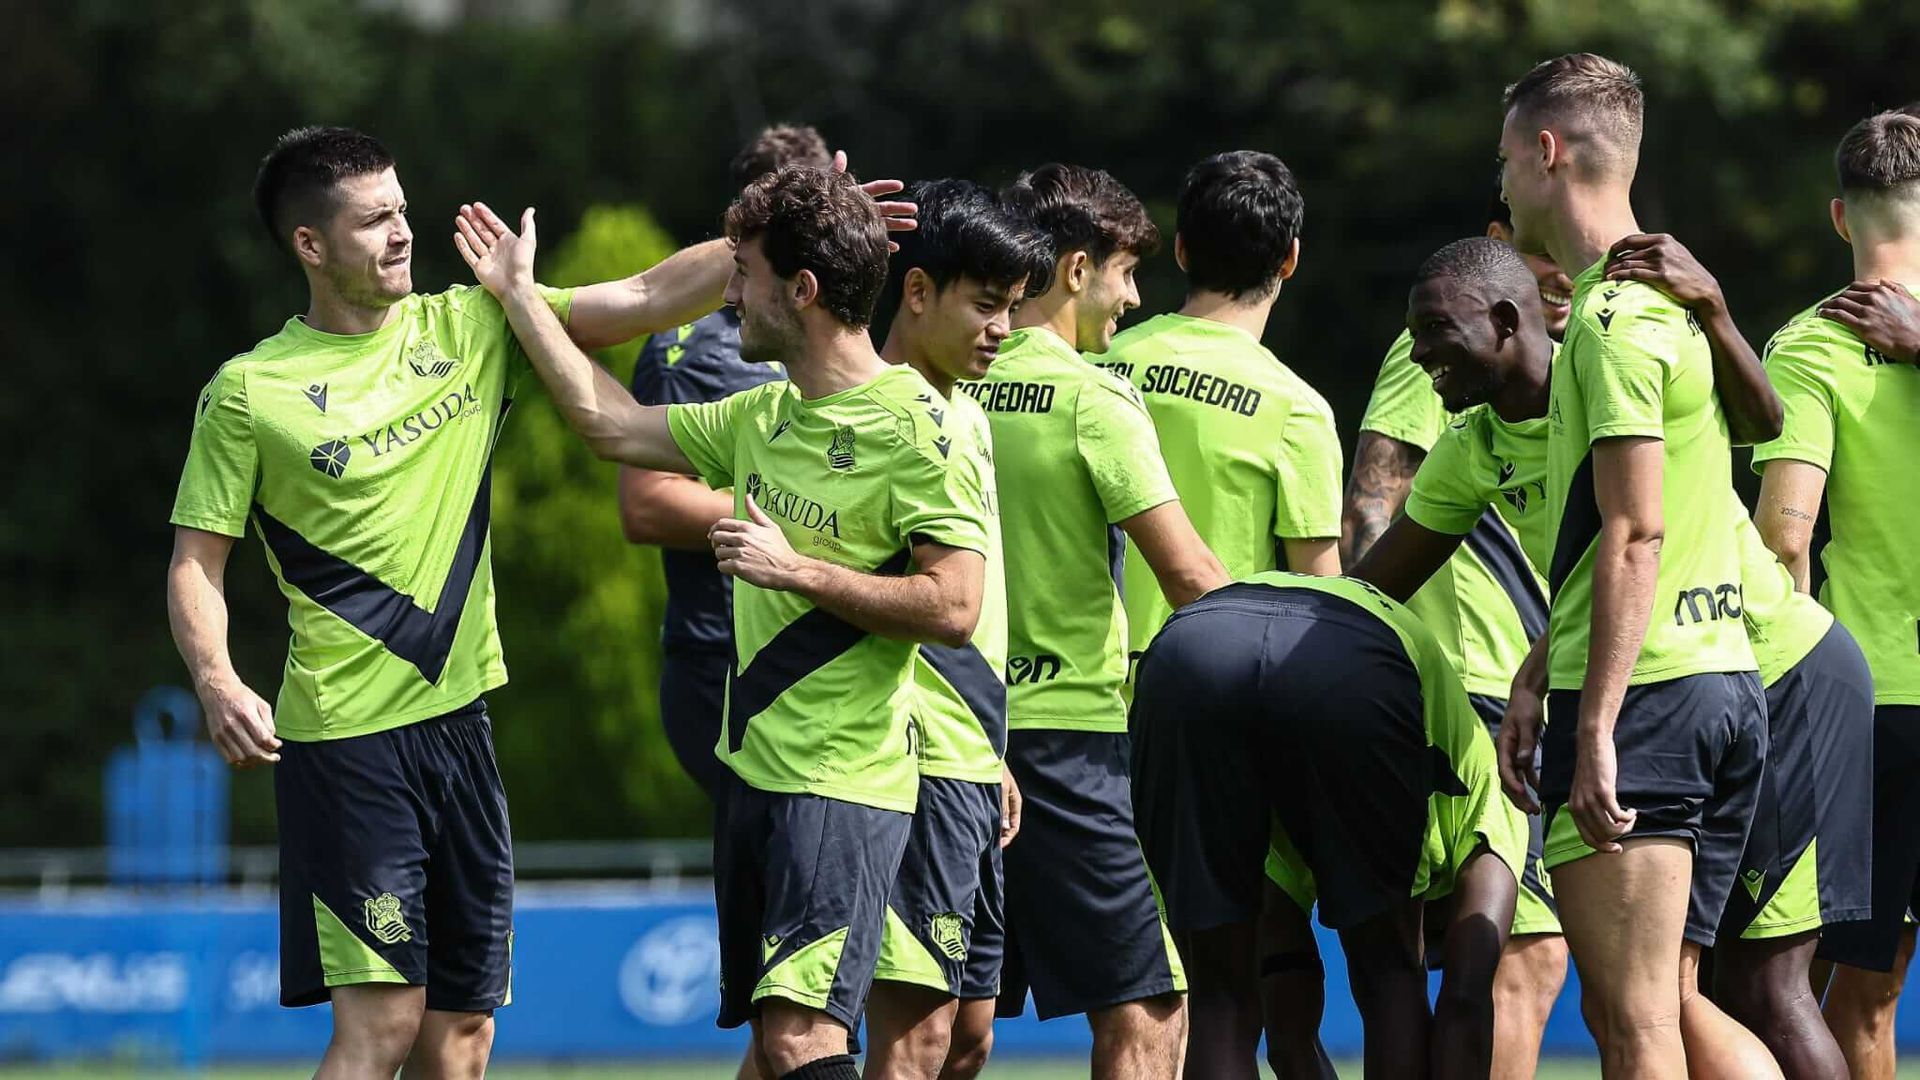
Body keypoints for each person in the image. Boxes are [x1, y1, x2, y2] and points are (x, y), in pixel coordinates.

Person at [165, 126, 758, 1079]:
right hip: (348, 742)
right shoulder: (248, 393)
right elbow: (197, 562)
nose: (403, 232)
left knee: (462, 1038)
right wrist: (218, 680)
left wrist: (777, 232)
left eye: (402, 210)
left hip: (462, 729)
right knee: (382, 1026)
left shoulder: (471, 324)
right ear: (310, 244)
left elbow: (647, 296)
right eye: (374, 220)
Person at [452, 165, 987, 1080]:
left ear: (801, 291)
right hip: (753, 775)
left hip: (843, 781)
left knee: (802, 1039)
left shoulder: (920, 431)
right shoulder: (763, 415)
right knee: (777, 1049)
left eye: (744, 274)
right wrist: (518, 296)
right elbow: (612, 427)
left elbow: (956, 605)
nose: (729, 295)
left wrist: (798, 570)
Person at [1356, 234, 1872, 1080]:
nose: (1416, 355)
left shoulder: (1607, 367)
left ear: (1507, 319)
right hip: (1690, 678)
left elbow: (1660, 524)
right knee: (1656, 1000)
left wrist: (1588, 722)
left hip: (1771, 670)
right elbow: (1377, 589)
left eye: (1435, 330)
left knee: (1738, 993)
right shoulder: (1475, 444)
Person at [1497, 52, 1774, 1077]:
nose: (1501, 189)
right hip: (1718, 678)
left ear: (1548, 152)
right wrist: (1540, 671)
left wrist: (1596, 727)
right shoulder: (1669, 305)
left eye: (1504, 162)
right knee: (1672, 1004)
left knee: (1635, 1020)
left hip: (1646, 699)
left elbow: (1633, 532)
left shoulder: (1610, 322)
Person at [963, 163, 1227, 1080]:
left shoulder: (943, 384)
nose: (1134, 298)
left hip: (948, 731)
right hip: (1068, 740)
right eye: (1125, 273)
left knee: (948, 1031)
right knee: (1149, 1009)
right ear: (1076, 270)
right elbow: (1190, 577)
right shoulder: (1092, 396)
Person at [1131, 571, 1524, 1080]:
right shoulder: (1492, 802)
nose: (1432, 943)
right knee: (1389, 975)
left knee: (1220, 1002)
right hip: (1345, 659)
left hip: (1188, 653)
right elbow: (1465, 1004)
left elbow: (1289, 1041)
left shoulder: (1286, 830)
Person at [1343, 192, 1565, 1080]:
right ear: (1499, 247)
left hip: (1519, 676)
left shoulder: (1573, 360)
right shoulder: (1439, 346)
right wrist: (1377, 663)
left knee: (1469, 957)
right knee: (1521, 957)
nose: (1567, 269)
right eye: (1546, 248)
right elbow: (1374, 499)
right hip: (1472, 678)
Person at [863, 179, 1051, 1080]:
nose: (1003, 330)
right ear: (916, 291)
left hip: (972, 759)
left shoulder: (965, 413)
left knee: (970, 1036)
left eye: (1011, 308)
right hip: (909, 763)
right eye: (985, 305)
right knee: (915, 1039)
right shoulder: (865, 412)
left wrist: (991, 750)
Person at [1751, 108, 1920, 1080]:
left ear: (1839, 216)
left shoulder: (1810, 345)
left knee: (1838, 989)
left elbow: (1785, 538)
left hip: (1873, 704)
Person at [620, 125, 832, 803]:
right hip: (722, 658)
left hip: (824, 646)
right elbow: (648, 504)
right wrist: (809, 513)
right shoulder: (691, 347)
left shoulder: (830, 329)